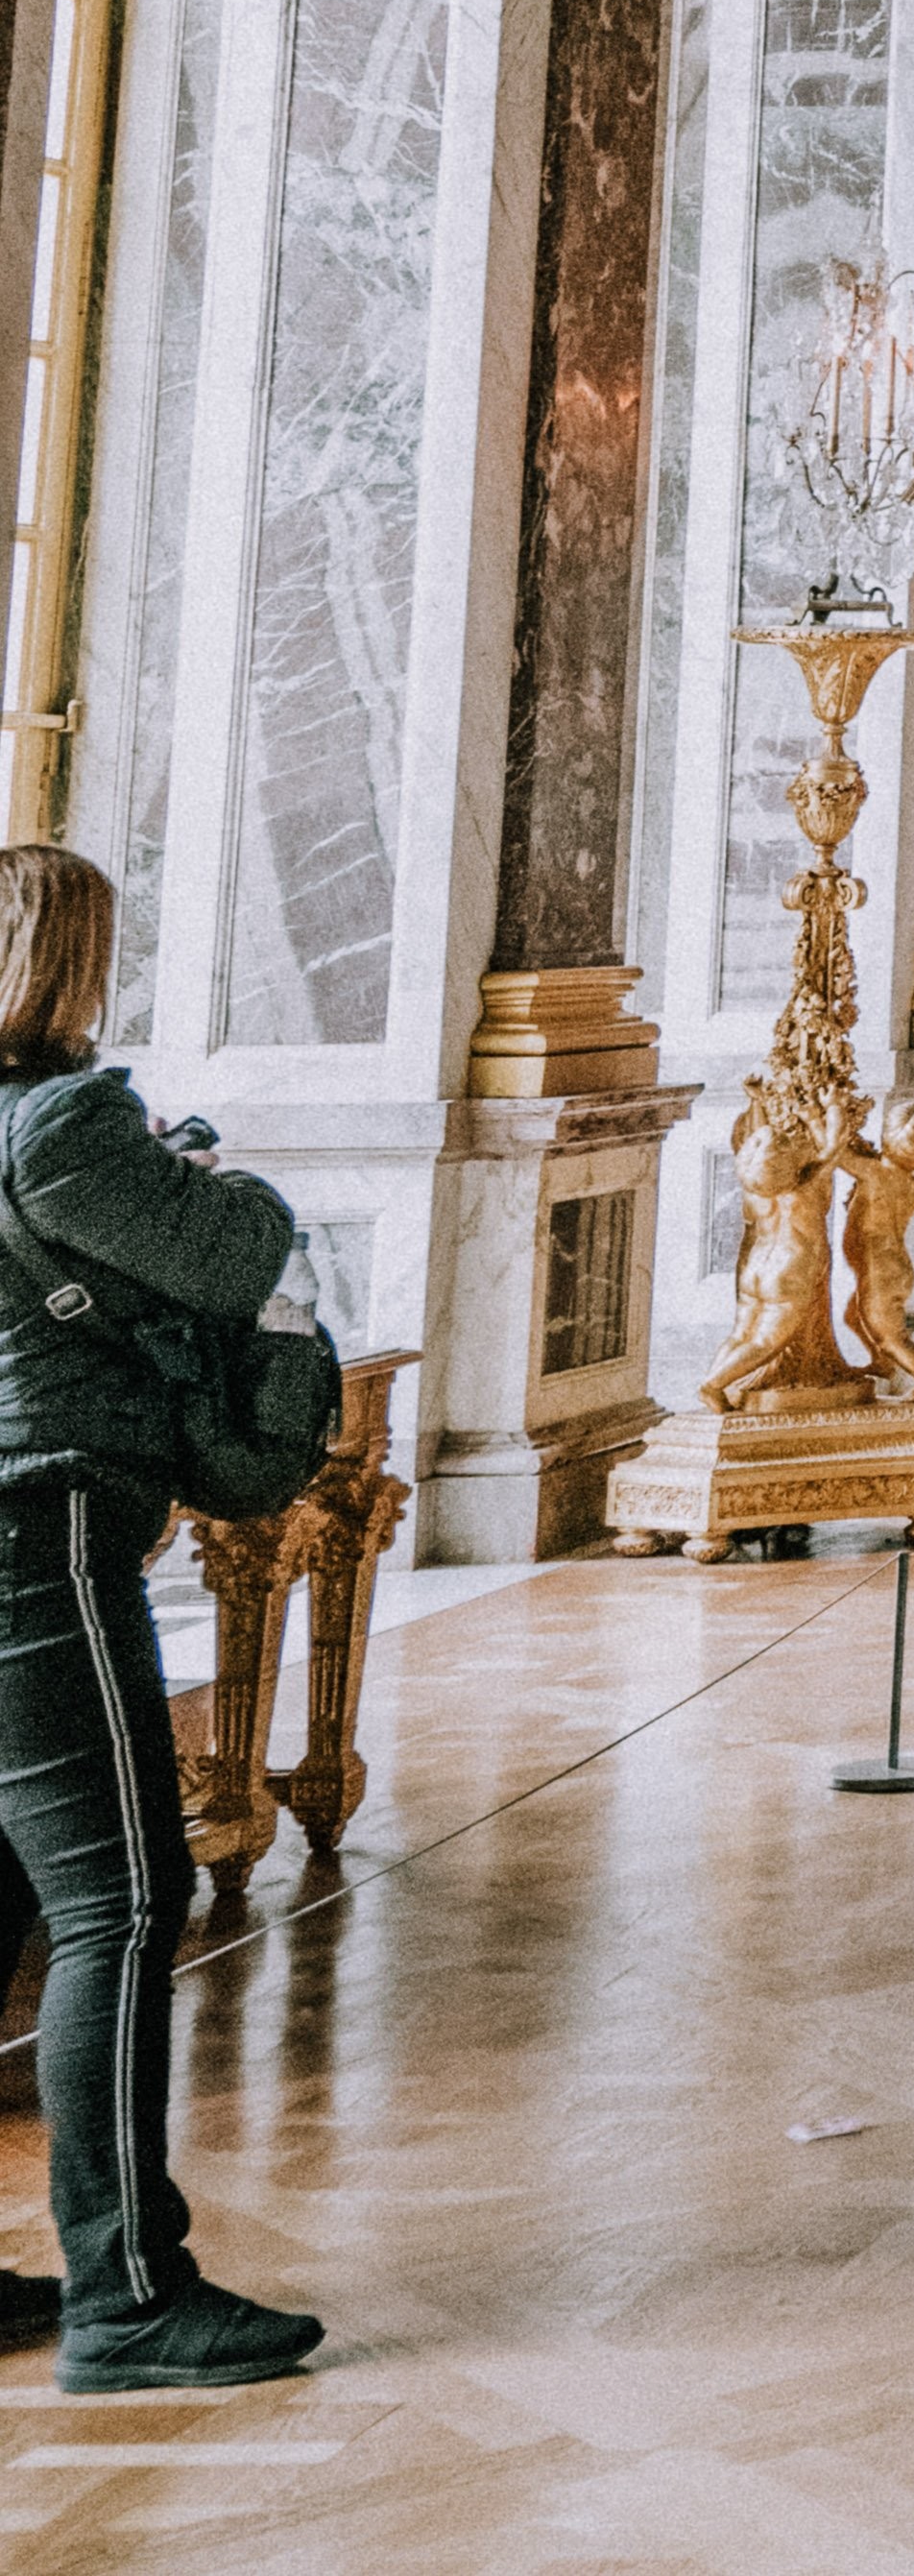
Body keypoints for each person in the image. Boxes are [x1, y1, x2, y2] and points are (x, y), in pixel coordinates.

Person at [0, 846, 326, 2389]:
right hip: (36, 1529)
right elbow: (243, 1248)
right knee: (122, 1900)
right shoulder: (63, 1119)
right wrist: (221, 1178)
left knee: (8, 1900)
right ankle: (128, 2296)